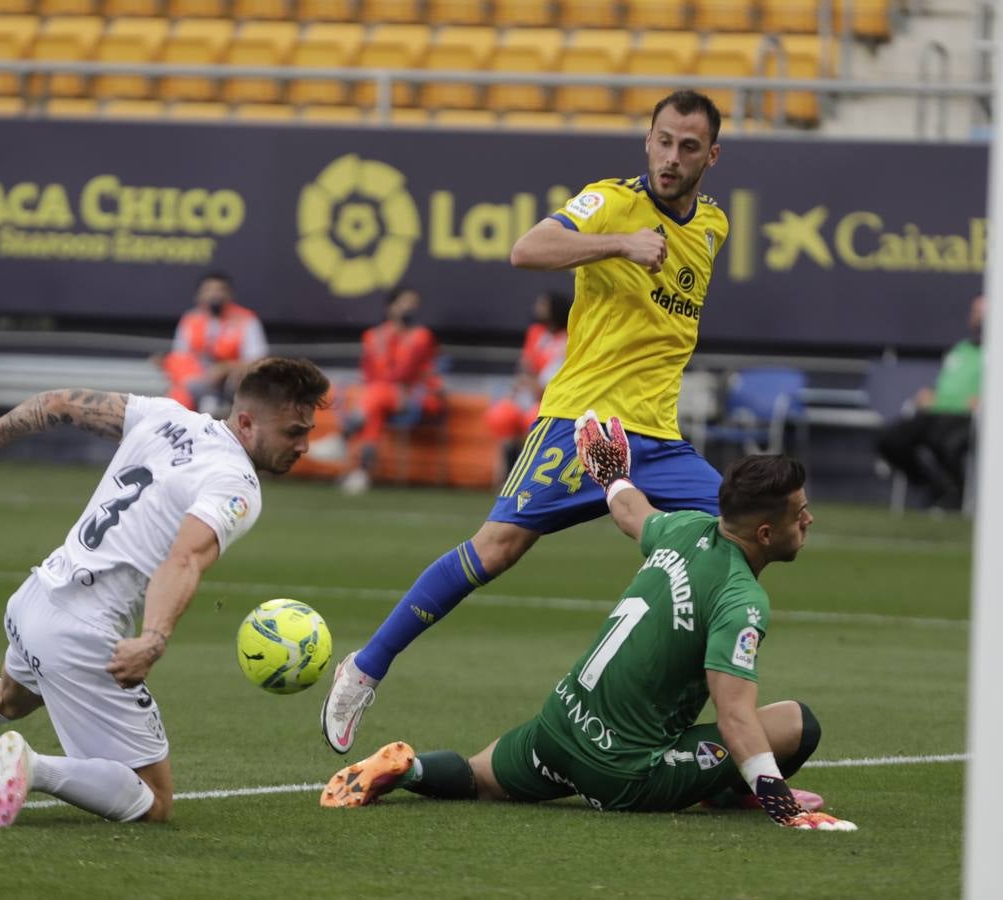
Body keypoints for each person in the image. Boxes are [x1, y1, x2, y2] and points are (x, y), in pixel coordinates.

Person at [321, 89, 730, 754]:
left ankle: (672, 713)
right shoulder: (611, 201)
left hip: (660, 435)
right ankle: (365, 667)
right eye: (662, 140)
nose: (672, 157)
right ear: (646, 140)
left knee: (735, 539)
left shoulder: (714, 224)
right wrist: (620, 245)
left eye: (688, 147)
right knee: (497, 548)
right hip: (583, 418)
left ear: (712, 155)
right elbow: (527, 248)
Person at [320, 415, 855, 832]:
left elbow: (629, 510)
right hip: (627, 774)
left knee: (476, 778)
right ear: (764, 533)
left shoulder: (684, 526)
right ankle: (724, 789)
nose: (808, 519)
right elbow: (736, 717)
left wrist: (611, 472)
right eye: (798, 512)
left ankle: (406, 770)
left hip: (556, 727)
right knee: (797, 724)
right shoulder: (742, 598)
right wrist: (783, 806)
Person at [0, 358, 329, 827]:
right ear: (247, 422)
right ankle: (32, 766)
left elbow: (62, 403)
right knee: (155, 799)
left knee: (11, 696)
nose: (304, 445)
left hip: (38, 596)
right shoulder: (235, 482)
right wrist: (154, 637)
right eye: (293, 432)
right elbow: (184, 559)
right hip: (83, 633)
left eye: (307, 431)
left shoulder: (166, 414)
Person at [308, 286, 445, 495]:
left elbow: (406, 372)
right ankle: (361, 472)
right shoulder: (372, 336)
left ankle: (344, 439)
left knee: (375, 397)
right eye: (405, 303)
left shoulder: (421, 336)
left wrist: (388, 384)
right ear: (391, 307)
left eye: (414, 304)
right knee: (374, 407)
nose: (410, 308)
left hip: (417, 396)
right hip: (383, 396)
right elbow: (369, 373)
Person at [877, 295, 985, 511]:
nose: (976, 318)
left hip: (966, 418)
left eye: (981, 314)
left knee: (947, 443)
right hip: (935, 413)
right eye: (974, 313)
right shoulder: (960, 349)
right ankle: (933, 486)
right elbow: (947, 383)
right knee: (890, 439)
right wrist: (930, 394)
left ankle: (955, 494)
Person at [483, 292, 571, 479]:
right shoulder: (535, 333)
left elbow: (551, 381)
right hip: (527, 394)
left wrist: (534, 384)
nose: (539, 310)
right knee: (503, 413)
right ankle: (505, 475)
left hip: (550, 400)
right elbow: (525, 366)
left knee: (533, 417)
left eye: (544, 305)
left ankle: (529, 474)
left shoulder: (569, 338)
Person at [161, 270, 268, 415]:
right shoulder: (191, 319)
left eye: (220, 290)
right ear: (199, 295)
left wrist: (225, 368)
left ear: (230, 295)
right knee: (178, 397)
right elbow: (180, 357)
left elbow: (258, 359)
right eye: (209, 290)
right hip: (196, 381)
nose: (215, 294)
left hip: (232, 383)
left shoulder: (246, 319)